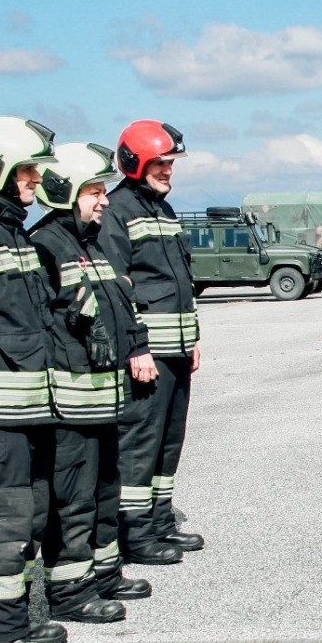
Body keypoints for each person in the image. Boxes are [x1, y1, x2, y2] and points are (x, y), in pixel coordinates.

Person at [0, 115, 83, 643]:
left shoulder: (15, 235)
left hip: (33, 407)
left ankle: (19, 617)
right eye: (26, 169)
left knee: (30, 516)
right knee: (3, 524)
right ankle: (1, 629)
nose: (34, 178)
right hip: (1, 414)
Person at [30, 142, 150, 623]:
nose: (103, 200)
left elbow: (122, 303)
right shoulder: (45, 245)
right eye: (94, 191)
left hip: (104, 398)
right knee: (73, 499)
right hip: (72, 403)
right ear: (65, 192)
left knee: (105, 491)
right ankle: (69, 592)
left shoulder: (92, 242)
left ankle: (104, 573)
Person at [102, 120, 203, 563]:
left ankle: (160, 523)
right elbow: (118, 288)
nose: (168, 171)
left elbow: (179, 281)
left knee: (168, 440)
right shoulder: (117, 211)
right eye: (161, 163)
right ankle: (136, 535)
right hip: (147, 357)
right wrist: (136, 347)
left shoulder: (165, 211)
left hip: (177, 352)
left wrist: (192, 339)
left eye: (170, 163)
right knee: (140, 443)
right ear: (134, 162)